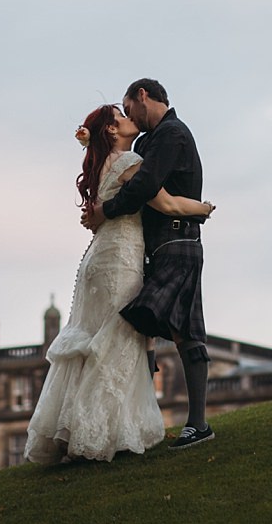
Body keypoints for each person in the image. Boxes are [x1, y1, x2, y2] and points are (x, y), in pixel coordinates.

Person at [25, 101, 214, 465]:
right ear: (112, 131)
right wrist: (204, 208)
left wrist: (88, 141)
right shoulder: (129, 163)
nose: (130, 119)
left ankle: (70, 430)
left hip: (96, 260)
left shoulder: (101, 165)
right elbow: (169, 205)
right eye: (122, 116)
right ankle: (97, 432)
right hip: (121, 260)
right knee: (117, 341)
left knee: (92, 338)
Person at [81, 78, 214, 450]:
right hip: (157, 245)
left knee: (175, 326)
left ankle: (198, 425)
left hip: (179, 240)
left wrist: (105, 210)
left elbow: (145, 187)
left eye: (127, 107)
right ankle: (136, 419)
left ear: (143, 96)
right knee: (146, 326)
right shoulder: (146, 142)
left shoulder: (172, 133)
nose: (128, 115)